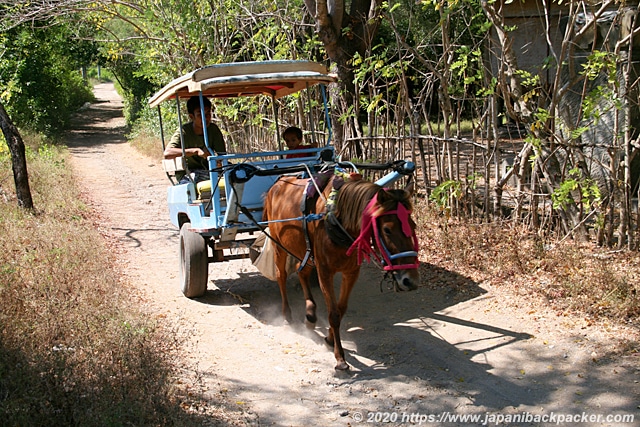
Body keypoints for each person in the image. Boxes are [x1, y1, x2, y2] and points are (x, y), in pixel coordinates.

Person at [164, 96, 227, 184]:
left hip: (210, 171)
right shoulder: (184, 131)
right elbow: (167, 153)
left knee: (237, 175)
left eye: (208, 113)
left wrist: (218, 162)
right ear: (191, 116)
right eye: (200, 114)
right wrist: (195, 151)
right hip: (188, 174)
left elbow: (222, 155)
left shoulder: (213, 129)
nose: (206, 118)